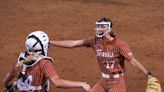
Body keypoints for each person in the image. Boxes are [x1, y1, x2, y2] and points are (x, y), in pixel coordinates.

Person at [50, 17, 155, 92]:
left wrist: (148, 74)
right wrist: (50, 42)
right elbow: (73, 43)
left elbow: (133, 60)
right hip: (103, 80)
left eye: (102, 26)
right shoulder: (94, 40)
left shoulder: (120, 44)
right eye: (98, 26)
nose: (99, 28)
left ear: (109, 29)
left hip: (117, 81)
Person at [3, 31, 91, 92]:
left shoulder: (20, 61)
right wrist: (81, 84)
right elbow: (58, 82)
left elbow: (6, 81)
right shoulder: (44, 63)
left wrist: (8, 86)